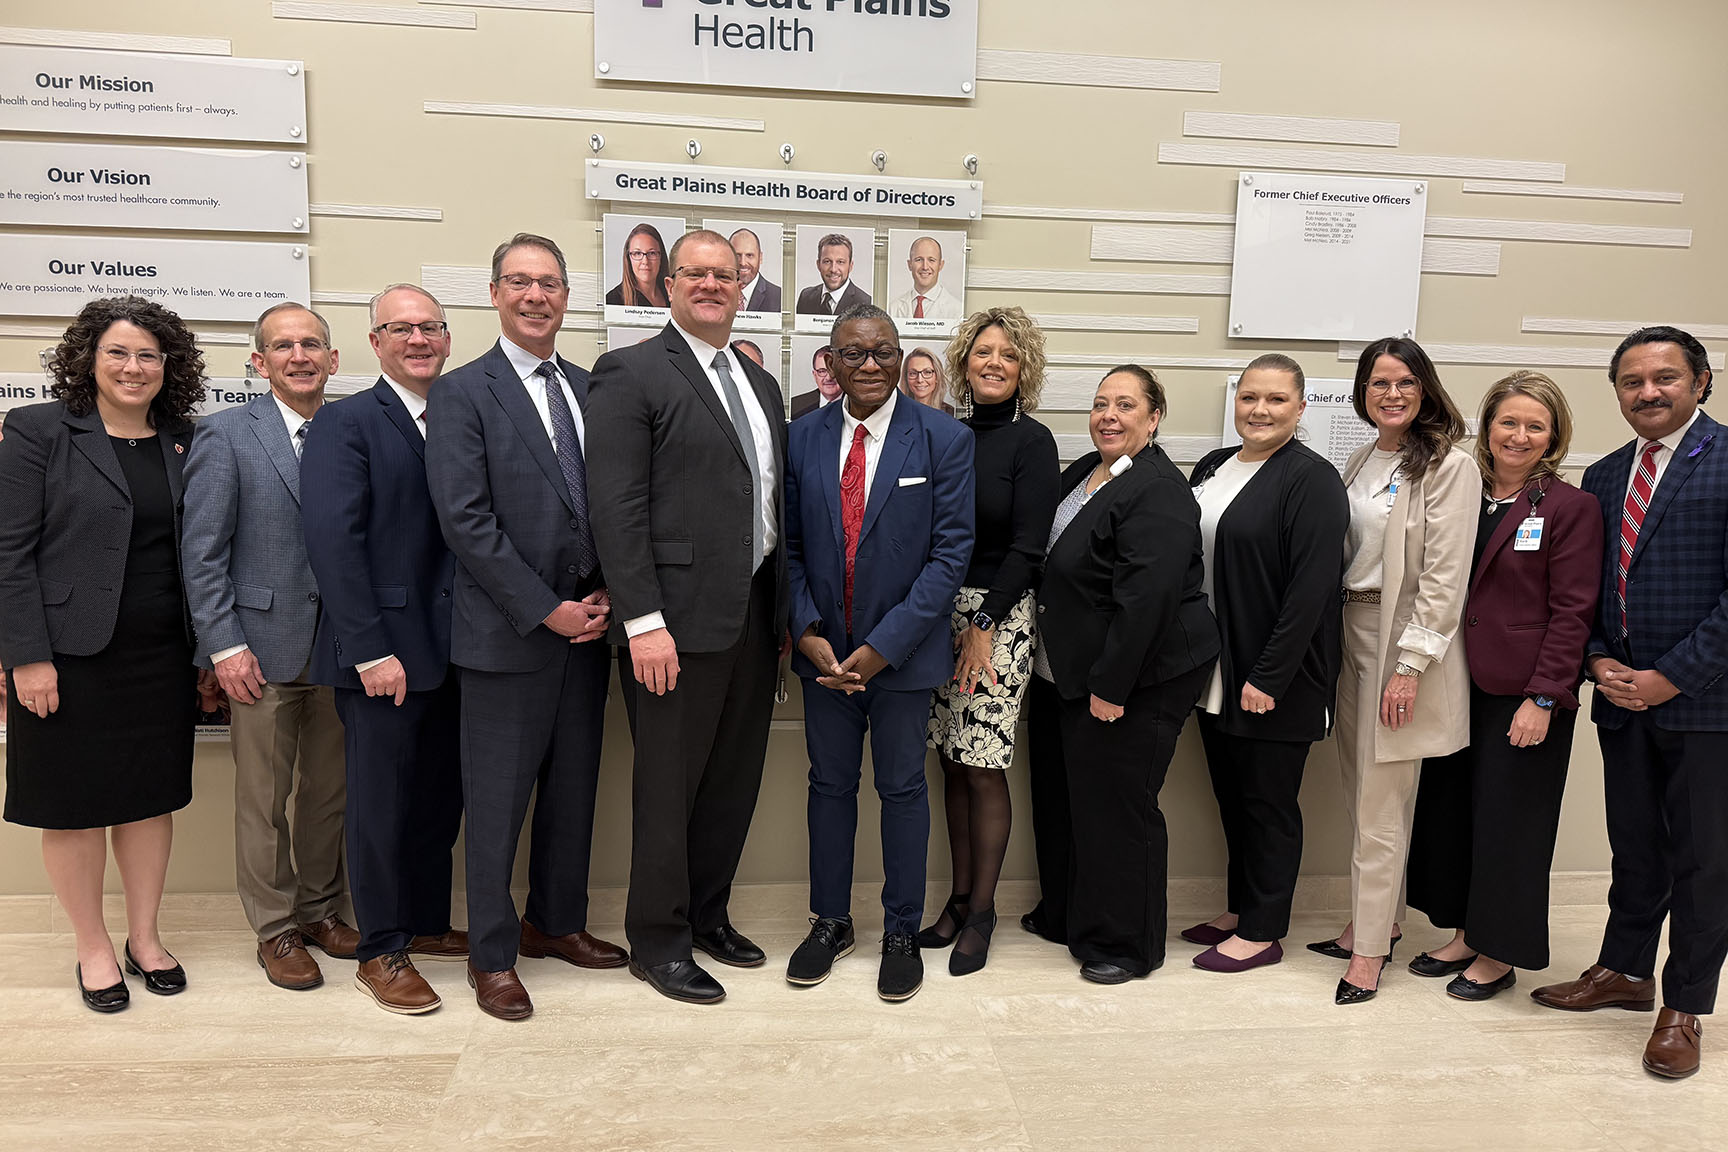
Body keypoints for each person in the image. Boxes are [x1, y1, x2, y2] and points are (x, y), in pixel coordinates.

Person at [425, 233, 627, 1021]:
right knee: (498, 805)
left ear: (567, 296)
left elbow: (609, 503)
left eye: (549, 283)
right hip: (509, 637)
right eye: (520, 282)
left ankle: (557, 923)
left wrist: (606, 590)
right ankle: (493, 956)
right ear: (495, 292)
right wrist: (546, 608)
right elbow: (466, 522)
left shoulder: (589, 387)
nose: (536, 295)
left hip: (588, 633)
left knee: (574, 795)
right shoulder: (462, 392)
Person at [586, 229, 788, 1006]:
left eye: (725, 276)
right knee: (668, 788)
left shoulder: (759, 383)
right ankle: (659, 942)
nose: (711, 285)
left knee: (731, 784)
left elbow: (764, 501)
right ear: (669, 285)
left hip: (753, 614)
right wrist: (642, 621)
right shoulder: (630, 372)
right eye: (695, 274)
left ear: (743, 288)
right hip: (669, 624)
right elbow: (617, 507)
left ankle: (708, 916)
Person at [1532, 326, 1728, 1080]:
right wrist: (1597, 661)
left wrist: (1671, 676)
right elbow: (1582, 590)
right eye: (1631, 381)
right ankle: (1624, 970)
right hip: (1621, 700)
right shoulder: (1606, 475)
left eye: (1665, 378)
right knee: (1636, 845)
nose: (1648, 392)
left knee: (1705, 860)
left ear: (1701, 382)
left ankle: (1685, 1004)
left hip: (1707, 703)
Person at [0, 296, 205, 1012]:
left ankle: (144, 938)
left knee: (149, 803)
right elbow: (9, 551)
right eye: (118, 351)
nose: (133, 366)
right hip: (67, 659)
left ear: (167, 366)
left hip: (161, 656)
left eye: (149, 354)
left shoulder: (185, 439)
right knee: (74, 807)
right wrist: (26, 655)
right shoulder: (37, 431)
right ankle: (92, 946)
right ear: (89, 357)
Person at [784, 303, 974, 1001]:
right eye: (854, 354)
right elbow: (791, 549)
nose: (871, 366)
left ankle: (900, 927)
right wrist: (807, 631)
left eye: (884, 353)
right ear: (830, 362)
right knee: (828, 788)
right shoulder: (800, 437)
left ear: (901, 360)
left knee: (902, 790)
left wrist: (883, 648)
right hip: (822, 656)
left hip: (902, 659)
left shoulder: (943, 439)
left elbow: (950, 556)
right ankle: (830, 921)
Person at [299, 285, 469, 1015]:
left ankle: (426, 923)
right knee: (380, 805)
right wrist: (369, 649)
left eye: (430, 327)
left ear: (448, 337)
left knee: (438, 797)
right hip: (385, 653)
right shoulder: (346, 424)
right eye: (401, 329)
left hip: (463, 647)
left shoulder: (464, 414)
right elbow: (334, 545)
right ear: (375, 343)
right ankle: (381, 949)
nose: (418, 339)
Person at [1405, 372, 1601, 1001]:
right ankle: (1467, 932)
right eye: (1507, 422)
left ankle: (1500, 953)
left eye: (1534, 426)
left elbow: (1574, 611)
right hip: (1455, 680)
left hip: (1523, 691)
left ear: (1553, 437)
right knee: (1457, 816)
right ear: (1486, 427)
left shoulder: (1571, 507)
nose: (1518, 435)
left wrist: (1545, 696)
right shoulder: (1462, 491)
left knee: (1512, 825)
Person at [182, 302, 357, 992]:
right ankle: (275, 928)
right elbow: (202, 555)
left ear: (334, 359)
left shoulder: (351, 432)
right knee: (263, 799)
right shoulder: (225, 436)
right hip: (258, 647)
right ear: (260, 362)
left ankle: (319, 912)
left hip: (343, 650)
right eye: (283, 346)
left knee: (329, 796)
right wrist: (224, 646)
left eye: (312, 344)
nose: (300, 355)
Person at [1035, 365, 1218, 984]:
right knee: (1080, 802)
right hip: (1079, 669)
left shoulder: (1159, 489)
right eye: (1099, 404)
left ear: (1154, 417)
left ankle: (1126, 945)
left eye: (1126, 405)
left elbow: (1149, 599)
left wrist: (1111, 688)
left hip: (1140, 675)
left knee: (1119, 809)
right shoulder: (1085, 472)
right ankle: (1073, 916)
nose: (1109, 415)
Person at [1310, 337, 1476, 1006]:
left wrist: (1409, 666)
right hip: (1350, 629)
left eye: (1405, 381)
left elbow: (1444, 577)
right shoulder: (1360, 457)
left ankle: (1370, 953)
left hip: (1398, 643)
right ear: (1363, 391)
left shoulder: (1449, 465)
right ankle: (1377, 920)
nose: (1392, 393)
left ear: (1426, 388)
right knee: (1362, 791)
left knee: (1382, 804)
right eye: (1379, 382)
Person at [1183, 354, 1349, 972]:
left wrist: (1269, 676)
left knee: (1268, 802)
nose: (1260, 410)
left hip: (1274, 677)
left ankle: (1263, 928)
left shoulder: (1312, 480)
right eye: (1250, 397)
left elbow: (1311, 591)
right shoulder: (1213, 467)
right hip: (1215, 671)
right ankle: (1240, 906)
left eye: (1276, 400)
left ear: (1301, 409)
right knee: (1231, 794)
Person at [919, 308, 1057, 976]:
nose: (994, 362)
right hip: (938, 613)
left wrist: (982, 628)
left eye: (1007, 354)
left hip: (996, 618)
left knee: (982, 763)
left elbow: (1028, 548)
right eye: (982, 353)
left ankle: (983, 913)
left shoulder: (1033, 443)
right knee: (949, 759)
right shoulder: (948, 434)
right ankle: (957, 899)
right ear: (964, 363)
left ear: (1023, 366)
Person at [795, 233, 870, 318]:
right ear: (818, 265)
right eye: (827, 261)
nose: (833, 269)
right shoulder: (806, 297)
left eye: (840, 262)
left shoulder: (865, 303)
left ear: (850, 266)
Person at [889, 236, 962, 321]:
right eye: (919, 260)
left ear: (940, 265)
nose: (925, 267)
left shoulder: (957, 309)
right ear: (910, 264)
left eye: (931, 260)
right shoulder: (894, 308)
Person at [605, 222, 670, 310]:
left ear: (661, 257)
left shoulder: (672, 294)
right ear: (628, 258)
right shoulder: (612, 300)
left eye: (652, 253)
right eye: (637, 253)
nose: (645, 261)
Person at [730, 228, 782, 314]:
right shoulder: (718, 292)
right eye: (737, 255)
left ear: (760, 257)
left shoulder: (778, 297)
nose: (743, 262)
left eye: (749, 255)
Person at [790, 346, 841, 418]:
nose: (829, 377)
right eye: (822, 371)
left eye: (833, 370)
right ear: (814, 375)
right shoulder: (796, 406)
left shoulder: (857, 405)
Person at [899, 347, 952, 414]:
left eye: (927, 372)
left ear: (937, 377)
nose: (920, 380)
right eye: (913, 373)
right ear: (906, 378)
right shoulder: (897, 412)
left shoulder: (948, 412)